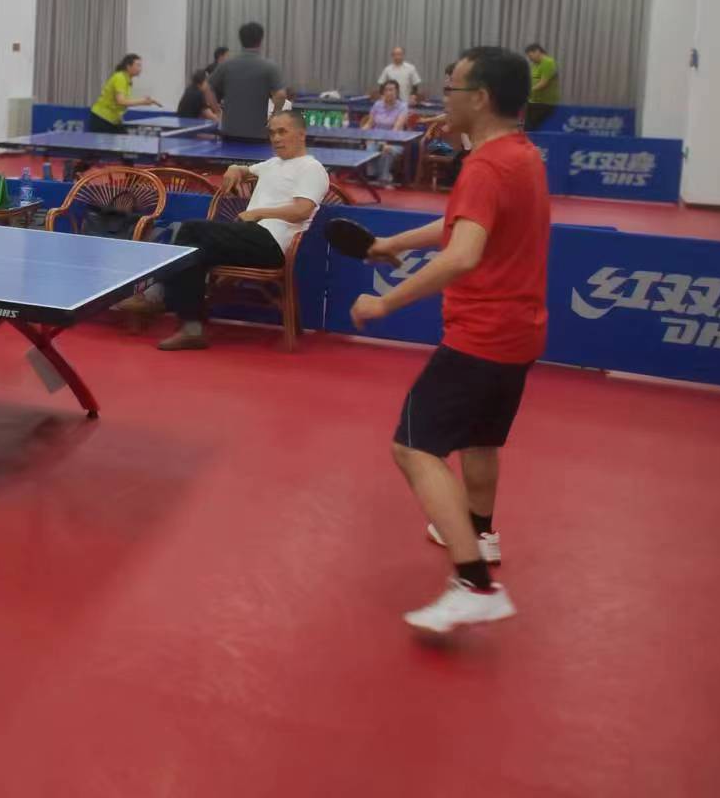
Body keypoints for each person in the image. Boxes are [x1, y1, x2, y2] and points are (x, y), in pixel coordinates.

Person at [351, 46, 549, 634]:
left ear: (481, 97)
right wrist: (396, 243)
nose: (444, 99)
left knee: (414, 448)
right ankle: (480, 535)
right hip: (519, 333)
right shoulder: (521, 155)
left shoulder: (485, 166)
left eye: (452, 89)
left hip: (480, 335)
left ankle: (474, 584)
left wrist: (385, 301)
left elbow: (463, 253)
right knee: (480, 440)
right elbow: (467, 220)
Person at [121, 111, 329, 351]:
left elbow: (302, 210)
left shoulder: (312, 168)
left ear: (301, 134)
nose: (276, 138)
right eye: (272, 133)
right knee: (193, 251)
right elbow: (245, 170)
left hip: (272, 244)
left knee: (191, 229)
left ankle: (160, 299)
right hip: (250, 235)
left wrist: (259, 213)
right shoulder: (273, 164)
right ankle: (191, 328)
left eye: (282, 132)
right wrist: (234, 167)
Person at [203, 21, 286, 139]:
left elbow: (207, 88)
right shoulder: (270, 67)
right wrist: (274, 117)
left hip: (230, 131)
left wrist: (217, 110)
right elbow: (281, 95)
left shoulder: (226, 65)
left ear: (240, 40)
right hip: (258, 134)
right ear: (261, 40)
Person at [88, 54, 159, 133]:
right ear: (128, 66)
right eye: (138, 65)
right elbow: (121, 101)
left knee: (124, 137)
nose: (140, 69)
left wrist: (143, 100)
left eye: (140, 66)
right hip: (101, 119)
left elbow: (122, 102)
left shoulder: (127, 80)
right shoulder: (120, 77)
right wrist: (142, 101)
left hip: (113, 120)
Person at [365, 80, 410, 184]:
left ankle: (384, 178)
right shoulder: (377, 105)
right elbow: (369, 124)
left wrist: (385, 142)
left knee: (387, 149)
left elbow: (396, 128)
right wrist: (362, 135)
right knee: (370, 147)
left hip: (395, 141)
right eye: (386, 90)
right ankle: (371, 176)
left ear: (397, 92)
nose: (389, 92)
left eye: (391, 90)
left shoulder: (402, 107)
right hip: (376, 138)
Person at [524, 43, 559, 130]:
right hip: (533, 101)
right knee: (525, 126)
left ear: (537, 51)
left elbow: (543, 83)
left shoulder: (548, 62)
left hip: (544, 103)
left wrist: (527, 91)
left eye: (530, 56)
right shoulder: (535, 64)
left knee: (529, 127)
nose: (530, 59)